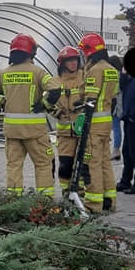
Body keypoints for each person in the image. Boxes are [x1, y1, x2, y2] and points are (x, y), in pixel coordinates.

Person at [0, 34, 59, 197]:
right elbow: (55, 90)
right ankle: (45, 202)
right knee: (43, 164)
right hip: (34, 131)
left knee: (13, 165)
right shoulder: (38, 72)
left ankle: (13, 200)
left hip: (12, 130)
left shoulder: (4, 73)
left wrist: (1, 102)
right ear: (32, 52)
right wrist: (44, 105)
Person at [78, 32, 120, 213]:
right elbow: (114, 96)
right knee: (105, 162)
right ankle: (109, 199)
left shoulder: (95, 70)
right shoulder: (111, 69)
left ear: (90, 51)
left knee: (92, 163)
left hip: (94, 123)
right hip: (106, 122)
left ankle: (93, 204)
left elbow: (89, 99)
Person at [49, 46, 86, 193]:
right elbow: (47, 102)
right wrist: (57, 113)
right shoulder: (55, 81)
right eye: (69, 61)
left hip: (83, 129)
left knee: (82, 162)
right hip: (64, 132)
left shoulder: (85, 76)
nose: (73, 63)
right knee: (65, 163)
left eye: (75, 60)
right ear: (62, 63)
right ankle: (66, 192)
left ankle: (81, 192)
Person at [108, 55, 124, 161]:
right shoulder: (122, 76)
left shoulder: (113, 75)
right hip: (119, 105)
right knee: (116, 127)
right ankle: (116, 149)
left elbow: (113, 92)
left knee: (115, 127)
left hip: (114, 105)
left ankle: (116, 150)